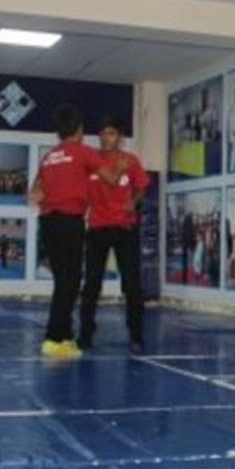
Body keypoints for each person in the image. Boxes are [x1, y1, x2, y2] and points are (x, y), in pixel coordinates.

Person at [29, 104, 104, 359]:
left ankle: (65, 336)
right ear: (80, 130)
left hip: (48, 221)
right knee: (69, 281)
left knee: (64, 280)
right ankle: (52, 338)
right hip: (69, 221)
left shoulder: (49, 156)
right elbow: (111, 177)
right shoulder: (83, 152)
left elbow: (34, 192)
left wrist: (56, 190)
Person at [78, 118, 149, 355]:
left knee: (132, 284)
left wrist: (134, 201)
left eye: (110, 133)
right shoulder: (91, 162)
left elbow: (141, 188)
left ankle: (136, 335)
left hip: (124, 227)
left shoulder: (131, 160)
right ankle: (85, 334)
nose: (105, 137)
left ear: (119, 137)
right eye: (102, 133)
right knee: (92, 284)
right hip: (98, 227)